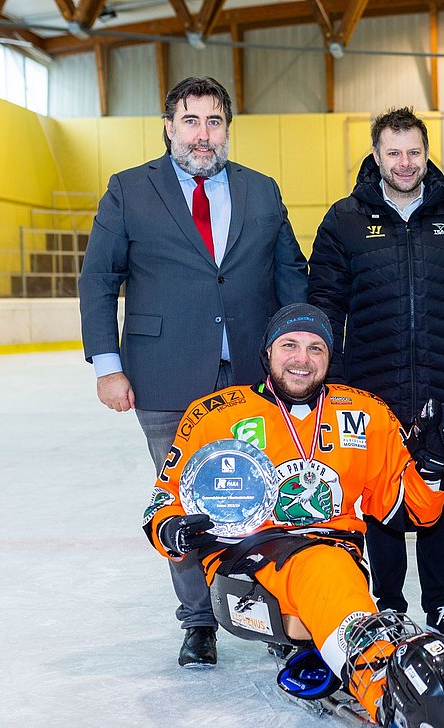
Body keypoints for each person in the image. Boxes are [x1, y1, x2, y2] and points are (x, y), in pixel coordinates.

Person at [142, 304, 444, 728]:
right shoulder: (217, 413)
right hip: (249, 559)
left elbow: (410, 511)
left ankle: (328, 652)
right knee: (324, 570)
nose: (302, 358)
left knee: (329, 573)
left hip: (337, 556)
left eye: (316, 348)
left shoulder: (366, 413)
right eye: (289, 345)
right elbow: (163, 499)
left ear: (329, 358)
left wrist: (435, 462)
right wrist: (172, 528)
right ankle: (389, 691)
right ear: (268, 352)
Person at [78, 76, 308, 668]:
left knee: (270, 499)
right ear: (168, 126)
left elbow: (291, 279)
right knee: (182, 504)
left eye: (214, 122)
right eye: (191, 121)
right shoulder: (129, 190)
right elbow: (100, 280)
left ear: (228, 129)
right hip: (165, 374)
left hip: (254, 383)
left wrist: (307, 353)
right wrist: (108, 367)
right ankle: (198, 621)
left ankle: (273, 614)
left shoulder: (262, 191)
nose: (202, 134)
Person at [309, 107, 444, 643]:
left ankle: (439, 605)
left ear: (426, 152)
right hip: (371, 392)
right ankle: (388, 605)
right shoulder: (344, 220)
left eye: (414, 151)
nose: (405, 162)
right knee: (381, 502)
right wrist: (334, 389)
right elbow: (325, 310)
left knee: (439, 502)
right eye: (394, 152)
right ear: (376, 156)